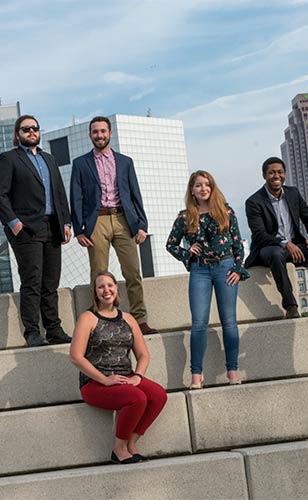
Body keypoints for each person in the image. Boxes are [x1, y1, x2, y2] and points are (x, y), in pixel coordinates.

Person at [70, 116, 157, 335]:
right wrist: (79, 229)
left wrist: (142, 224)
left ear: (110, 134)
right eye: (95, 132)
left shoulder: (125, 162)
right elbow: (76, 197)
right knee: (98, 273)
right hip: (96, 221)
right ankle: (100, 321)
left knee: (133, 272)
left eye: (103, 131)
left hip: (123, 220)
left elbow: (135, 194)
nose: (99, 135)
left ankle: (139, 319)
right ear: (90, 135)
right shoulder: (81, 163)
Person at [69, 271, 168, 464]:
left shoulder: (128, 319)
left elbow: (143, 354)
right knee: (137, 398)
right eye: (101, 287)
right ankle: (118, 449)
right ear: (95, 292)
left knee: (158, 395)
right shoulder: (88, 318)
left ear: (116, 288)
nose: (106, 290)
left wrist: (138, 375)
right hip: (95, 383)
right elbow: (75, 357)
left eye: (110, 285)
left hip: (126, 376)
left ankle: (131, 443)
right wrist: (105, 380)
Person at [0, 115, 73, 347]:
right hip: (26, 230)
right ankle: (32, 332)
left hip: (53, 227)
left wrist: (66, 222)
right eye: (25, 129)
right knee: (32, 281)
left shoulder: (50, 159)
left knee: (50, 282)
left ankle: (54, 329)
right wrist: (14, 223)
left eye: (35, 128)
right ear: (17, 134)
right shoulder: (9, 159)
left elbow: (59, 192)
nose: (31, 132)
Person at [166, 171, 248, 389]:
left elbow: (238, 244)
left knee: (229, 321)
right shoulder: (185, 217)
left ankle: (232, 370)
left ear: (212, 188)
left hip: (225, 267)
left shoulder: (226, 212)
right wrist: (187, 253)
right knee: (199, 323)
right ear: (192, 190)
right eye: (198, 185)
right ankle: (196, 375)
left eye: (207, 185)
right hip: (200, 270)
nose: (203, 188)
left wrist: (238, 269)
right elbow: (171, 244)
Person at [244, 156, 308, 319]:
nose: (276, 176)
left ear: (284, 174)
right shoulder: (254, 201)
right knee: (276, 253)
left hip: (296, 246)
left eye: (280, 172)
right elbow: (260, 235)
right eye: (271, 172)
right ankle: (291, 306)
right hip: (268, 249)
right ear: (264, 175)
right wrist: (285, 243)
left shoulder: (293, 193)